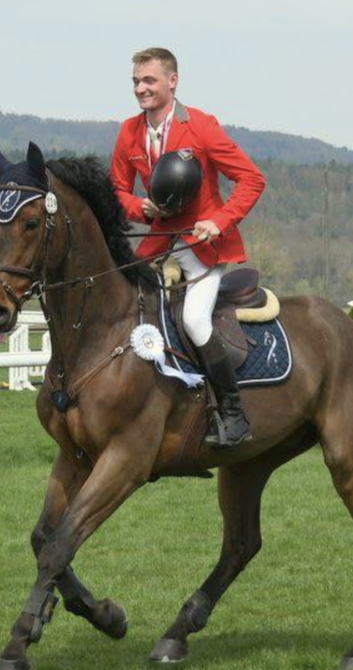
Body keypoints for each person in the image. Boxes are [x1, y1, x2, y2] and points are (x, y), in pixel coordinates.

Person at [110, 47, 266, 446]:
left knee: (196, 320)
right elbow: (116, 190)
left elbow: (251, 180)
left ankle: (233, 415)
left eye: (149, 81)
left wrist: (219, 220)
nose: (140, 89)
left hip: (203, 250)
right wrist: (138, 206)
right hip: (156, 245)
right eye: (136, 82)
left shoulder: (201, 126)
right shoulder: (129, 131)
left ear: (172, 81)